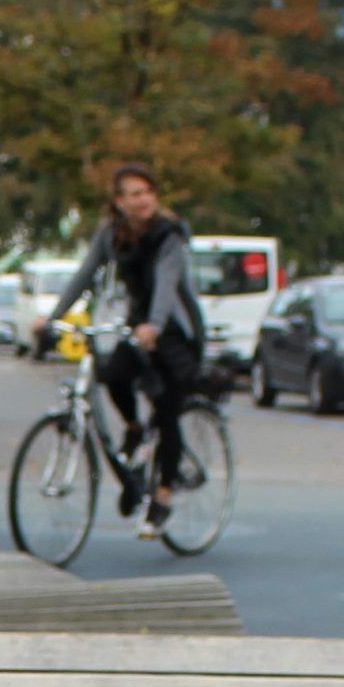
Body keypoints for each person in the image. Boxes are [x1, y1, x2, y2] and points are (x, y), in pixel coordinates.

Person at [51, 164, 204, 529]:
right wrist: (53, 316)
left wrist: (154, 324)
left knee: (167, 412)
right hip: (139, 327)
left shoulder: (169, 236)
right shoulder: (112, 235)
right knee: (112, 373)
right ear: (119, 201)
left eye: (148, 192)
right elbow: (84, 276)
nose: (144, 200)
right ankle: (134, 427)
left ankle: (165, 492)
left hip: (175, 332)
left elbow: (167, 285)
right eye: (134, 194)